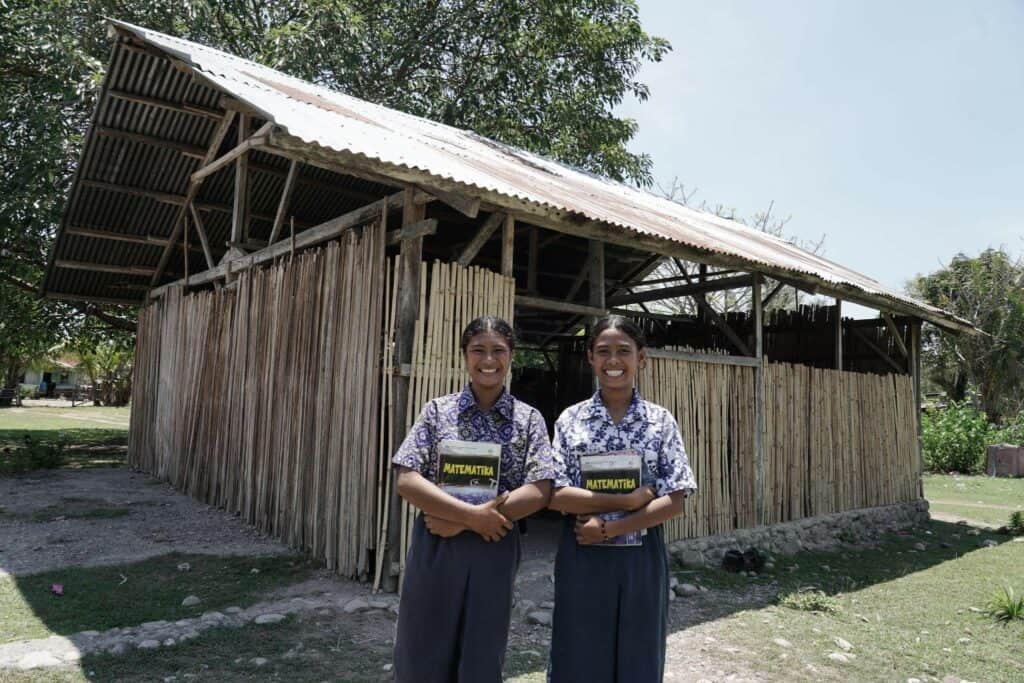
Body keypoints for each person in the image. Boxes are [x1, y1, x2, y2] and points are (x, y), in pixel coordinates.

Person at [391, 316, 555, 683]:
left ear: (512, 356)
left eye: (498, 350)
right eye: (478, 350)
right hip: (437, 545)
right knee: (422, 649)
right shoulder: (437, 412)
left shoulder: (528, 420)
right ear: (464, 355)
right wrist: (469, 515)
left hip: (493, 545)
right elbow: (406, 478)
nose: (488, 360)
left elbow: (541, 488)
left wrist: (473, 520)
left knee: (481, 655)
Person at [547, 315, 697, 683]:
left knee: (639, 654)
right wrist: (627, 500)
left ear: (641, 357)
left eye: (623, 351)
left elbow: (675, 498)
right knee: (579, 652)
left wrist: (614, 527)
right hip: (582, 551)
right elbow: (554, 494)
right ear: (590, 358)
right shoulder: (571, 420)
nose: (613, 361)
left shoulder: (660, 422)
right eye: (603, 352)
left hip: (640, 558)